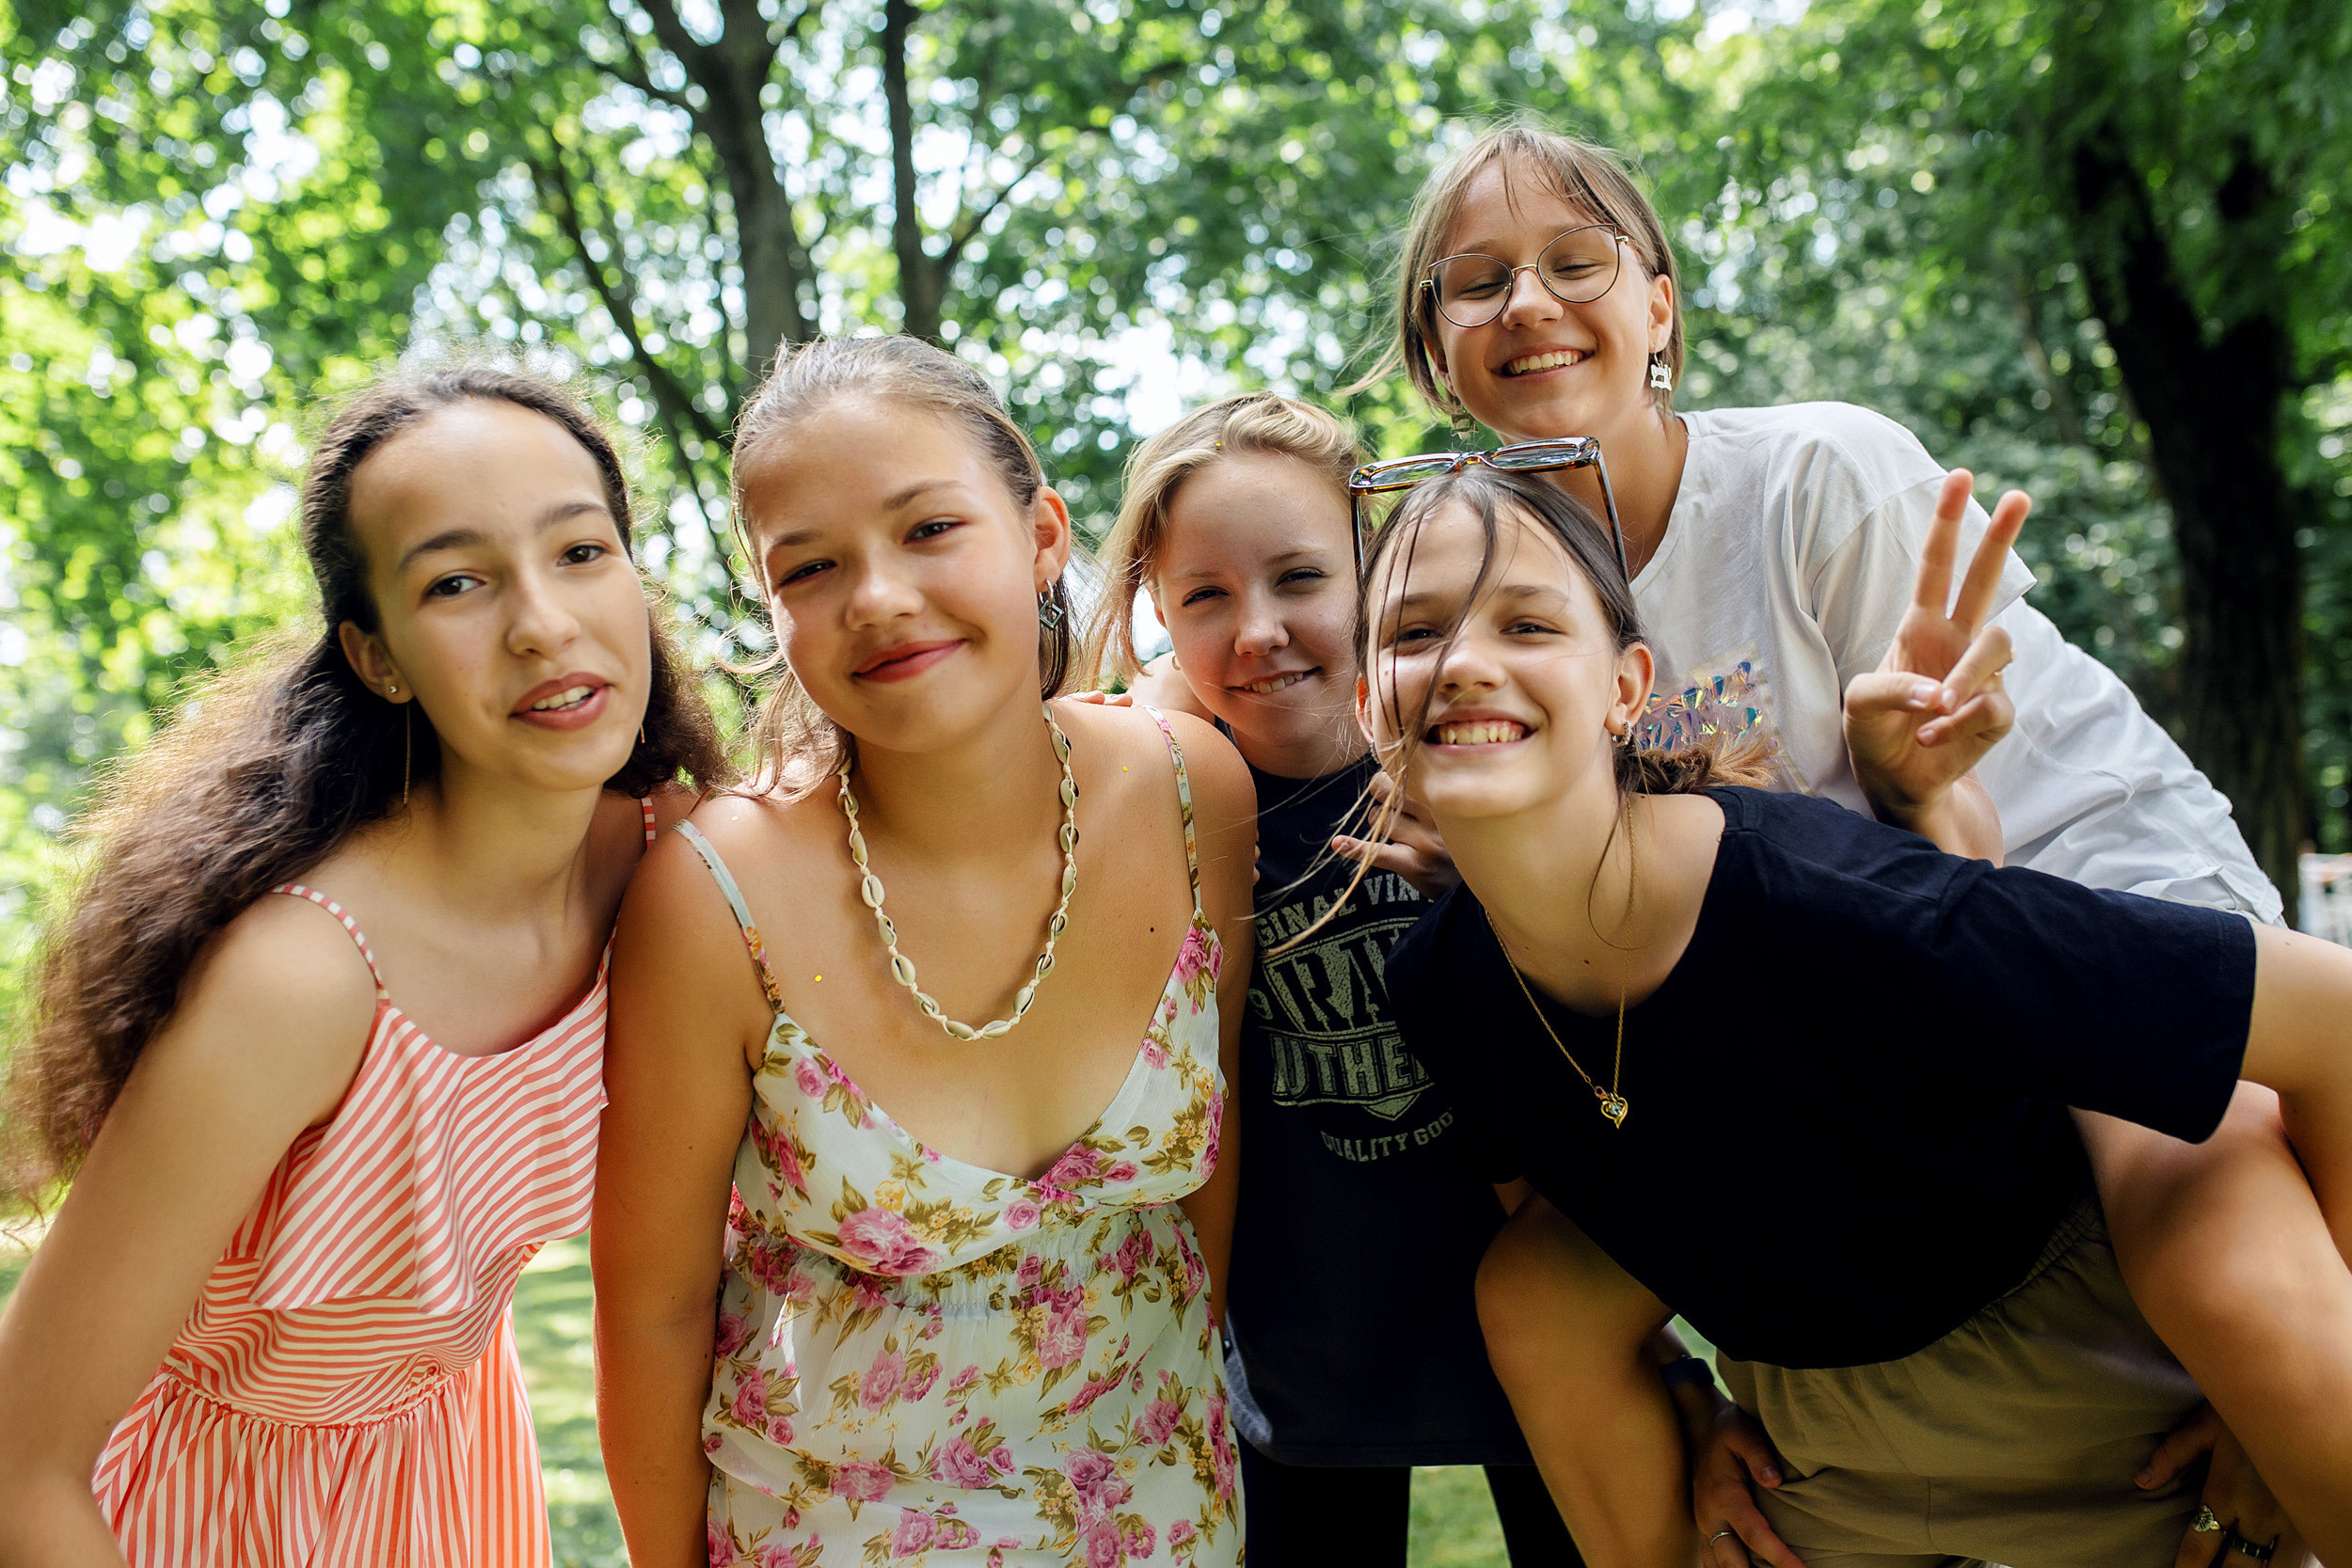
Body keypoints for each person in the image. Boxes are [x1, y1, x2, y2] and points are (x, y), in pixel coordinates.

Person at [1372, 119, 2349, 1564]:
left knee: (2226, 1275)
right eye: (1477, 280)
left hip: (2085, 894)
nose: (1527, 301)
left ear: (1661, 311)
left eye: (1578, 260)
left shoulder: (1813, 478)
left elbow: (1952, 890)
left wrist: (1904, 780)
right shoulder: (1478, 604)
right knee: (1538, 1292)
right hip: (1858, 995)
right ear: (1434, 349)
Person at [0, 366, 727, 1564]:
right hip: (205, 1507)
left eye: (582, 551)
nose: (542, 620)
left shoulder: (680, 871)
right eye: (455, 581)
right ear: (377, 656)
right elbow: (23, 1459)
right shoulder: (303, 980)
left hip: (451, 1472)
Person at [592, 335, 1256, 1568]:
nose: (880, 596)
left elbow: (1210, 1177)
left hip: (1168, 1512)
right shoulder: (710, 899)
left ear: (1044, 534)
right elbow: (651, 1308)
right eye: (812, 565)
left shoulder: (1191, 789)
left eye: (930, 527)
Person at [1084, 392, 1580, 1565]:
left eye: (1299, 577)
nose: (1256, 629)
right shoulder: (1161, 801)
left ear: (1375, 573)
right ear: (1160, 615)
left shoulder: (1478, 761)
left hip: (1539, 1319)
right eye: (1206, 595)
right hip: (1301, 1349)